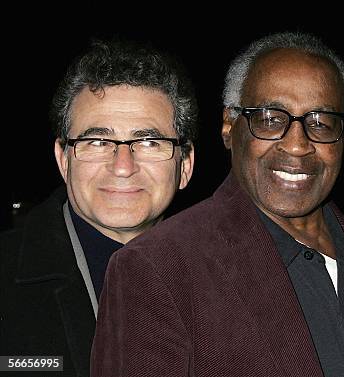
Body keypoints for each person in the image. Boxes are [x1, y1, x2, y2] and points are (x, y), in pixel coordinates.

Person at [91, 32, 344, 377]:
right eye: (270, 119)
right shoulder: (157, 268)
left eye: (321, 123)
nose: (297, 145)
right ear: (229, 127)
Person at [1, 39, 197, 377]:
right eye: (97, 141)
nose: (122, 165)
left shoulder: (236, 284)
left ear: (185, 166)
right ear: (63, 159)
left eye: (149, 141)